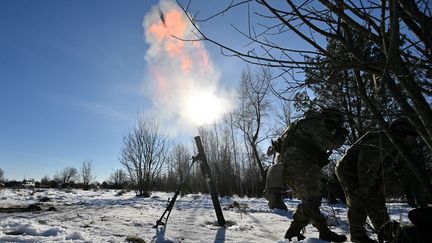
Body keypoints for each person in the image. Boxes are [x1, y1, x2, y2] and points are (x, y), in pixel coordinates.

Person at [265, 107, 348, 242]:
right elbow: (330, 143)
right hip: (301, 164)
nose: (336, 125)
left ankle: (324, 231)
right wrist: (341, 134)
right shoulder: (315, 122)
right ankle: (293, 231)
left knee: (310, 199)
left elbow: (279, 144)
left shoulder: (300, 123)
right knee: (312, 199)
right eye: (338, 121)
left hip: (290, 166)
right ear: (331, 117)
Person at [335, 118, 419, 243]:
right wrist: (365, 185)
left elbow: (384, 167)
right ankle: (358, 237)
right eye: (411, 136)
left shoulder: (395, 146)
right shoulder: (384, 140)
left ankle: (387, 233)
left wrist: (381, 183)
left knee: (377, 201)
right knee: (359, 199)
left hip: (365, 173)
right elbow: (366, 163)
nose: (412, 140)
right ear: (402, 133)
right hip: (349, 170)